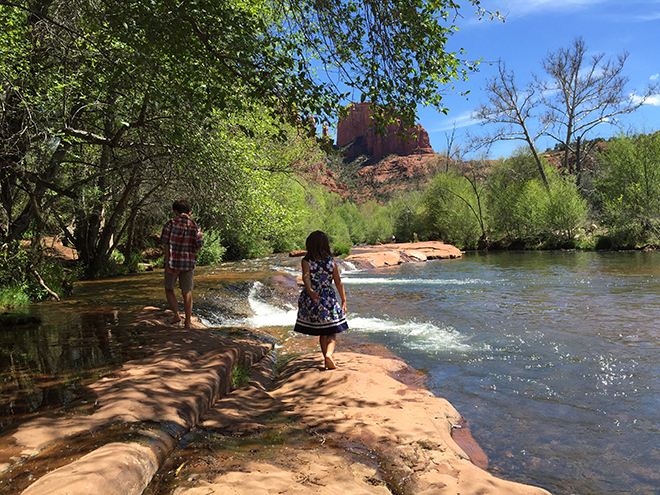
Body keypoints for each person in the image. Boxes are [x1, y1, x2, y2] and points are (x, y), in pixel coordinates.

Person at [293, 231, 348, 370]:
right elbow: (338, 282)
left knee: (322, 331)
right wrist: (344, 301)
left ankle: (326, 359)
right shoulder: (330, 261)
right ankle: (329, 355)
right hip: (328, 297)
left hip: (313, 298)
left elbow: (306, 276)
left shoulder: (306, 260)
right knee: (332, 330)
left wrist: (310, 290)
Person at [161, 199, 204, 329]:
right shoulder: (195, 226)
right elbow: (200, 245)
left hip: (173, 263)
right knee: (187, 292)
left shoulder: (170, 224)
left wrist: (167, 262)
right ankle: (188, 322)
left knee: (169, 289)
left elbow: (165, 244)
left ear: (175, 212)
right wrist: (190, 252)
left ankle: (176, 315)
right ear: (189, 212)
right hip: (189, 263)